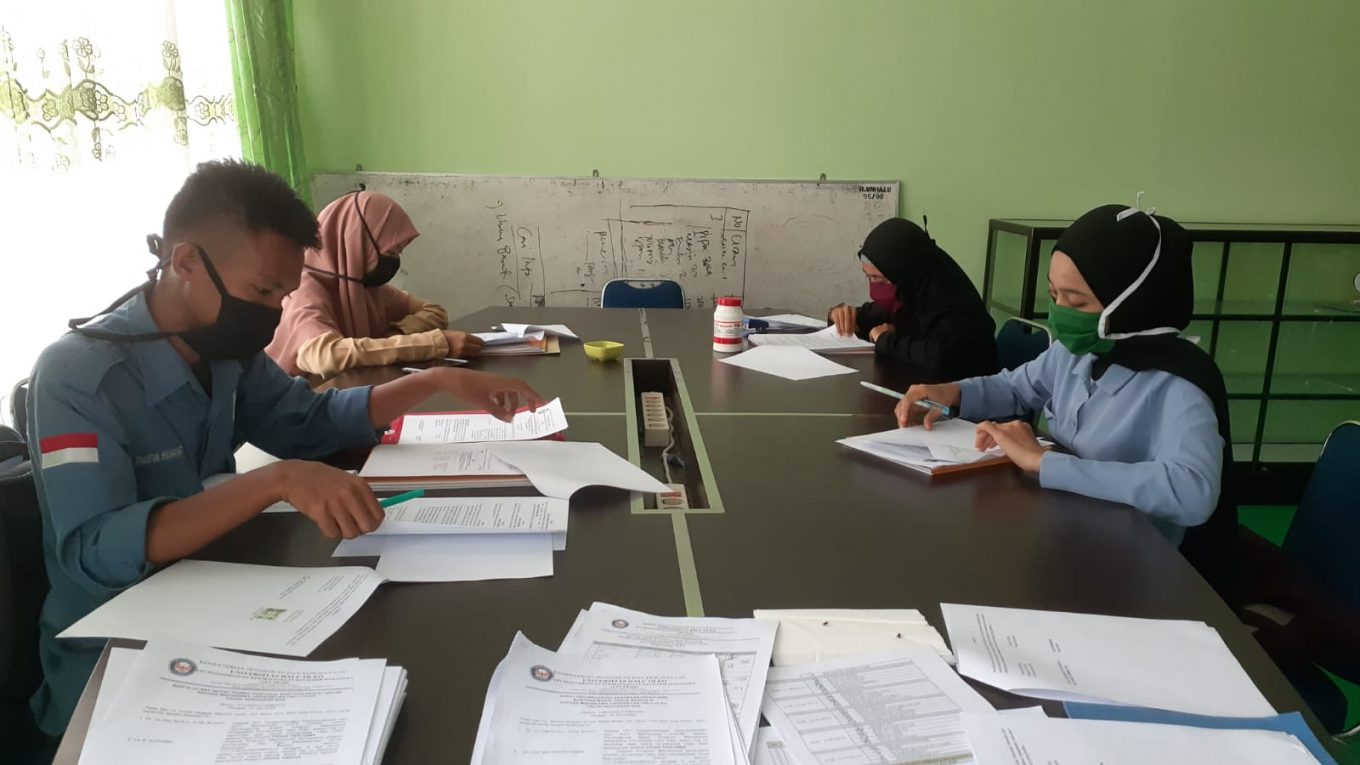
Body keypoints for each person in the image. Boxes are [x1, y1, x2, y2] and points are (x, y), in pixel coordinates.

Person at [27, 160, 544, 734]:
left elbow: (308, 422)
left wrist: (434, 381)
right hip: (114, 658)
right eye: (263, 291)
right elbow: (95, 551)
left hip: (221, 600)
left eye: (284, 293)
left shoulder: (226, 350)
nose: (275, 313)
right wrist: (275, 480)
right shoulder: (78, 376)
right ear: (186, 262)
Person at [894, 203, 1233, 549]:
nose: (1059, 313)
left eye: (1077, 302)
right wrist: (952, 392)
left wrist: (1045, 463)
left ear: (1133, 305)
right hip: (1061, 528)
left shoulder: (1180, 385)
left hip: (1128, 555)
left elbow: (1193, 491)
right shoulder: (1078, 350)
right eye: (1054, 295)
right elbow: (1016, 387)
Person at [265, 190, 484, 377]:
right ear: (358, 244)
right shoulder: (303, 289)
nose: (394, 261)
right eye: (391, 251)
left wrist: (395, 334)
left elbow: (434, 311)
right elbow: (324, 356)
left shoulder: (364, 289)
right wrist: (431, 344)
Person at [828, 217, 998, 381]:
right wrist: (839, 315)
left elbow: (942, 357)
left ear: (904, 273)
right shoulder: (912, 289)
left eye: (880, 280)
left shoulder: (952, 302)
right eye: (868, 277)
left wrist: (886, 341)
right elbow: (874, 314)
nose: (874, 287)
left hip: (970, 392)